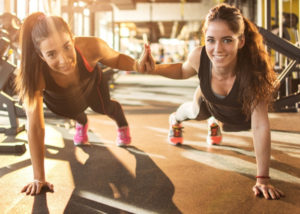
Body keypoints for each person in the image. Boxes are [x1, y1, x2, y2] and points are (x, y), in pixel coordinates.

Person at [140, 3, 284, 200]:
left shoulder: (252, 73)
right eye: (210, 40)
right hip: (208, 101)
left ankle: (214, 122)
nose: (217, 49)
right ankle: (175, 119)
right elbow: (182, 71)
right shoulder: (199, 56)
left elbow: (259, 126)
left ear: (240, 41)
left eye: (226, 40)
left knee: (237, 122)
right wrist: (154, 68)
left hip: (237, 114)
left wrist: (263, 179)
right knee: (193, 111)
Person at [16, 12, 147, 195]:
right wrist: (39, 177)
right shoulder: (34, 71)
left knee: (103, 107)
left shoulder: (90, 46)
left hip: (91, 85)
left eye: (67, 47)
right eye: (52, 54)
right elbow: (35, 126)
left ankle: (122, 123)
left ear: (73, 38)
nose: (64, 60)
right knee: (73, 111)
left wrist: (137, 65)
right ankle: (82, 122)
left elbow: (116, 58)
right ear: (41, 56)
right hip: (63, 101)